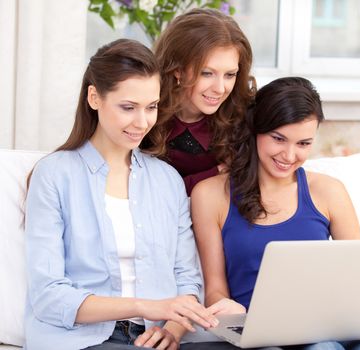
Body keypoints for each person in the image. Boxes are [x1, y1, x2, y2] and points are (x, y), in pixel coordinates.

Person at [24, 39, 218, 350]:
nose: (142, 122)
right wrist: (144, 306)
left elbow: (187, 277)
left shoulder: (166, 179)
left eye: (151, 107)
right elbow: (48, 295)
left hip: (159, 336)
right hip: (84, 339)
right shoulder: (54, 175)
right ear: (94, 97)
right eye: (128, 107)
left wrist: (173, 327)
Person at [189, 77, 360, 349]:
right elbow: (215, 289)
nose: (289, 155)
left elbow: (359, 277)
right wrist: (228, 310)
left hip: (327, 321)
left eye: (303, 144)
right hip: (260, 331)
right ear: (256, 130)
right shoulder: (211, 194)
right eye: (278, 139)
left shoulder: (328, 191)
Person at [143, 8, 256, 195]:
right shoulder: (145, 109)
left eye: (230, 74)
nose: (220, 88)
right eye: (207, 73)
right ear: (177, 69)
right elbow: (137, 186)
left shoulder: (243, 116)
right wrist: (214, 174)